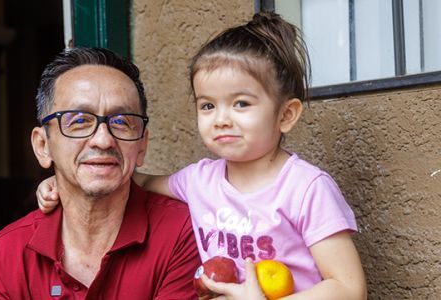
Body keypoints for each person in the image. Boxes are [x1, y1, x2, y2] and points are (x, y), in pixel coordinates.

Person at [37, 12, 367, 299]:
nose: (221, 118)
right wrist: (64, 181)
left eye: (241, 103)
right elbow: (130, 178)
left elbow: (349, 288)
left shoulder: (306, 188)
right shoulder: (199, 181)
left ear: (286, 115)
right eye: (208, 105)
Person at [0, 47, 201, 299]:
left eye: (121, 121)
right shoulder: (9, 251)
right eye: (78, 120)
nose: (103, 140)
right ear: (43, 146)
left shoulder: (182, 231)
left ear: (141, 145)